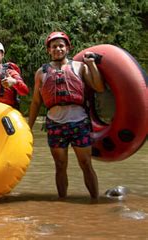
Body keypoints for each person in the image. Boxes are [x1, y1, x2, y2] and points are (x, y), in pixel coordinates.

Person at [27, 31, 105, 199]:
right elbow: (35, 102)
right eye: (54, 46)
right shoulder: (41, 73)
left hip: (80, 122)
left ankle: (95, 201)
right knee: (60, 165)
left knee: (86, 163)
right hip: (55, 124)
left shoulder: (80, 66)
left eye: (61, 46)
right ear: (48, 50)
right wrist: (29, 127)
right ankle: (62, 202)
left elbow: (99, 87)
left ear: (68, 48)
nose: (58, 49)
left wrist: (91, 64)